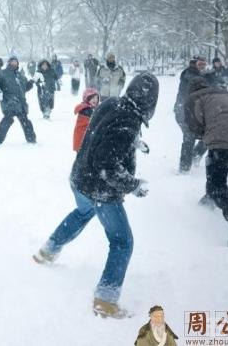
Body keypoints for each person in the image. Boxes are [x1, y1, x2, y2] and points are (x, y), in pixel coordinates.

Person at [33, 73, 159, 318]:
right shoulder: (128, 121)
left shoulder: (112, 103)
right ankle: (105, 301)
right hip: (99, 188)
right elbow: (107, 165)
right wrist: (132, 185)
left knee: (82, 212)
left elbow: (102, 133)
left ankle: (47, 251)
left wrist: (134, 141)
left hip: (79, 178)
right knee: (122, 242)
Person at [185, 77, 228, 246]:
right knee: (216, 171)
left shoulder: (194, 98)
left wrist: (204, 134)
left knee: (217, 183)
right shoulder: (227, 94)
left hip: (221, 143)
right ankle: (208, 200)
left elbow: (194, 126)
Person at [0, 56, 36, 145]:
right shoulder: (3, 73)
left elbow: (25, 88)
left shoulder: (21, 76)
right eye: (12, 62)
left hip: (21, 104)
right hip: (9, 103)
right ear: (9, 63)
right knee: (7, 121)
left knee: (26, 121)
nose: (14, 63)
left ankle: (31, 140)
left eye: (16, 62)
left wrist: (32, 81)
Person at [174, 56, 208, 173]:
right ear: (194, 64)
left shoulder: (201, 76)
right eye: (200, 64)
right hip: (184, 111)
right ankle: (184, 167)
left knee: (209, 134)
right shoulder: (189, 75)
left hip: (197, 112)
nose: (202, 66)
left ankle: (196, 154)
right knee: (189, 136)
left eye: (204, 64)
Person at [73, 88, 99, 152]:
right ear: (86, 99)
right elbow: (94, 122)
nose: (95, 100)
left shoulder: (90, 109)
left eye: (96, 98)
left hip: (83, 141)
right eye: (92, 98)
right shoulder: (86, 110)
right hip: (83, 141)